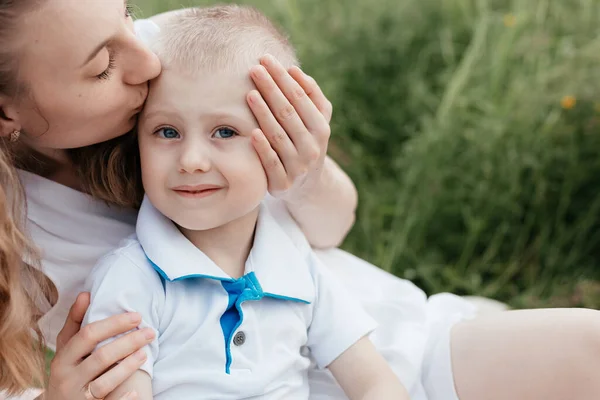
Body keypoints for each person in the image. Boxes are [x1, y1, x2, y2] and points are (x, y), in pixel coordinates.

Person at [0, 1, 599, 400]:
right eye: (103, 66)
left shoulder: (181, 50)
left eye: (127, 12)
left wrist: (305, 170)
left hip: (390, 341)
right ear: (8, 113)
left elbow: (332, 227)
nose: (147, 57)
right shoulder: (79, 258)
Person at [82, 9, 409, 400]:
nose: (191, 160)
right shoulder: (131, 279)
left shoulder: (295, 262)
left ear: (280, 139)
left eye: (225, 131)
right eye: (167, 131)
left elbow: (374, 382)